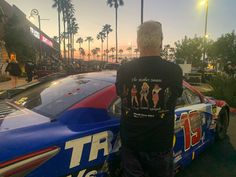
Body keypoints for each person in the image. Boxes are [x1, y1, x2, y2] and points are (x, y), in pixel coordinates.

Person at [116, 21, 183, 177]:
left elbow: (121, 94)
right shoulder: (174, 70)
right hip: (159, 144)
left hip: (130, 143)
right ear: (161, 41)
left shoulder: (124, 69)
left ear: (138, 42)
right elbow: (176, 96)